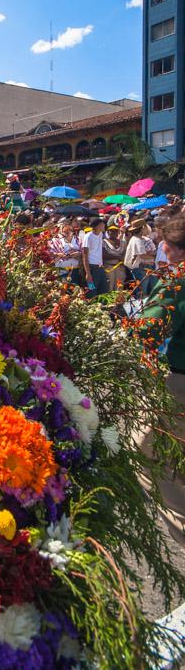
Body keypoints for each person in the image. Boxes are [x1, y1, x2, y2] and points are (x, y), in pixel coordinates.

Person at [137, 214, 185, 545]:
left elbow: (147, 329)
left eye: (166, 242)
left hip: (180, 384)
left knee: (144, 453)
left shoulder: (177, 282)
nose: (162, 247)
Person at [124, 218, 157, 297]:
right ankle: (141, 308)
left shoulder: (139, 239)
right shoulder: (137, 240)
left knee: (148, 290)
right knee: (142, 292)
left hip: (145, 267)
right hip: (141, 268)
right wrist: (155, 255)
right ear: (142, 228)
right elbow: (142, 255)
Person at [81, 217, 108, 297]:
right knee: (91, 291)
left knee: (103, 290)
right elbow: (84, 256)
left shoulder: (100, 234)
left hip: (100, 268)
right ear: (98, 226)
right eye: (102, 224)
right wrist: (88, 274)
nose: (104, 225)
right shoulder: (88, 237)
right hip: (92, 269)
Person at [103, 225, 127, 291]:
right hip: (109, 267)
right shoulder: (104, 242)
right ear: (107, 232)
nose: (114, 232)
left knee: (119, 287)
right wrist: (119, 257)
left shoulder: (123, 242)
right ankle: (110, 301)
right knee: (109, 286)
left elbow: (125, 254)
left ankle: (119, 301)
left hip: (120, 267)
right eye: (111, 231)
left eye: (116, 231)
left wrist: (122, 258)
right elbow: (104, 255)